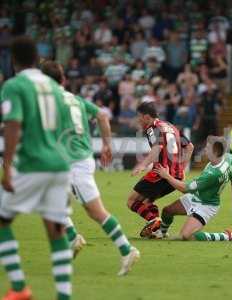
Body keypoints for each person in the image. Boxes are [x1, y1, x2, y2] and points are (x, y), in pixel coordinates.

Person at [41, 61, 140, 276]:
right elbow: (103, 115)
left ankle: (127, 250)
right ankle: (73, 238)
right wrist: (106, 144)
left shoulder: (49, 101)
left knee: (96, 211)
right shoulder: (74, 99)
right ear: (64, 80)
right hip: (74, 160)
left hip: (74, 163)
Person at [0, 36, 72, 300]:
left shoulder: (14, 85)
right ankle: (64, 296)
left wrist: (7, 167)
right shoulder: (54, 87)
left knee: (2, 220)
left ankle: (19, 287)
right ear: (36, 59)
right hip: (60, 164)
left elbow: (14, 124)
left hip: (32, 163)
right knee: (56, 230)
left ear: (13, 60)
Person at [153, 136, 232, 242]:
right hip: (196, 196)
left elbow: (185, 188)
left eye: (207, 147)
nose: (205, 149)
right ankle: (162, 233)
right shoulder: (230, 159)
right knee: (167, 211)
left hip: (207, 206)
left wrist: (167, 176)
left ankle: (225, 236)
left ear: (215, 151)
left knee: (185, 236)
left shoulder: (213, 174)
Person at [127, 102, 194, 238]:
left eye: (139, 116)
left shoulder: (152, 128)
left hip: (160, 174)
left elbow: (157, 149)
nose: (138, 119)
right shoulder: (171, 126)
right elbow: (190, 147)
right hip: (176, 177)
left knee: (131, 201)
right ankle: (157, 231)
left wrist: (142, 165)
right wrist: (182, 168)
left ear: (146, 117)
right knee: (146, 203)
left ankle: (154, 221)